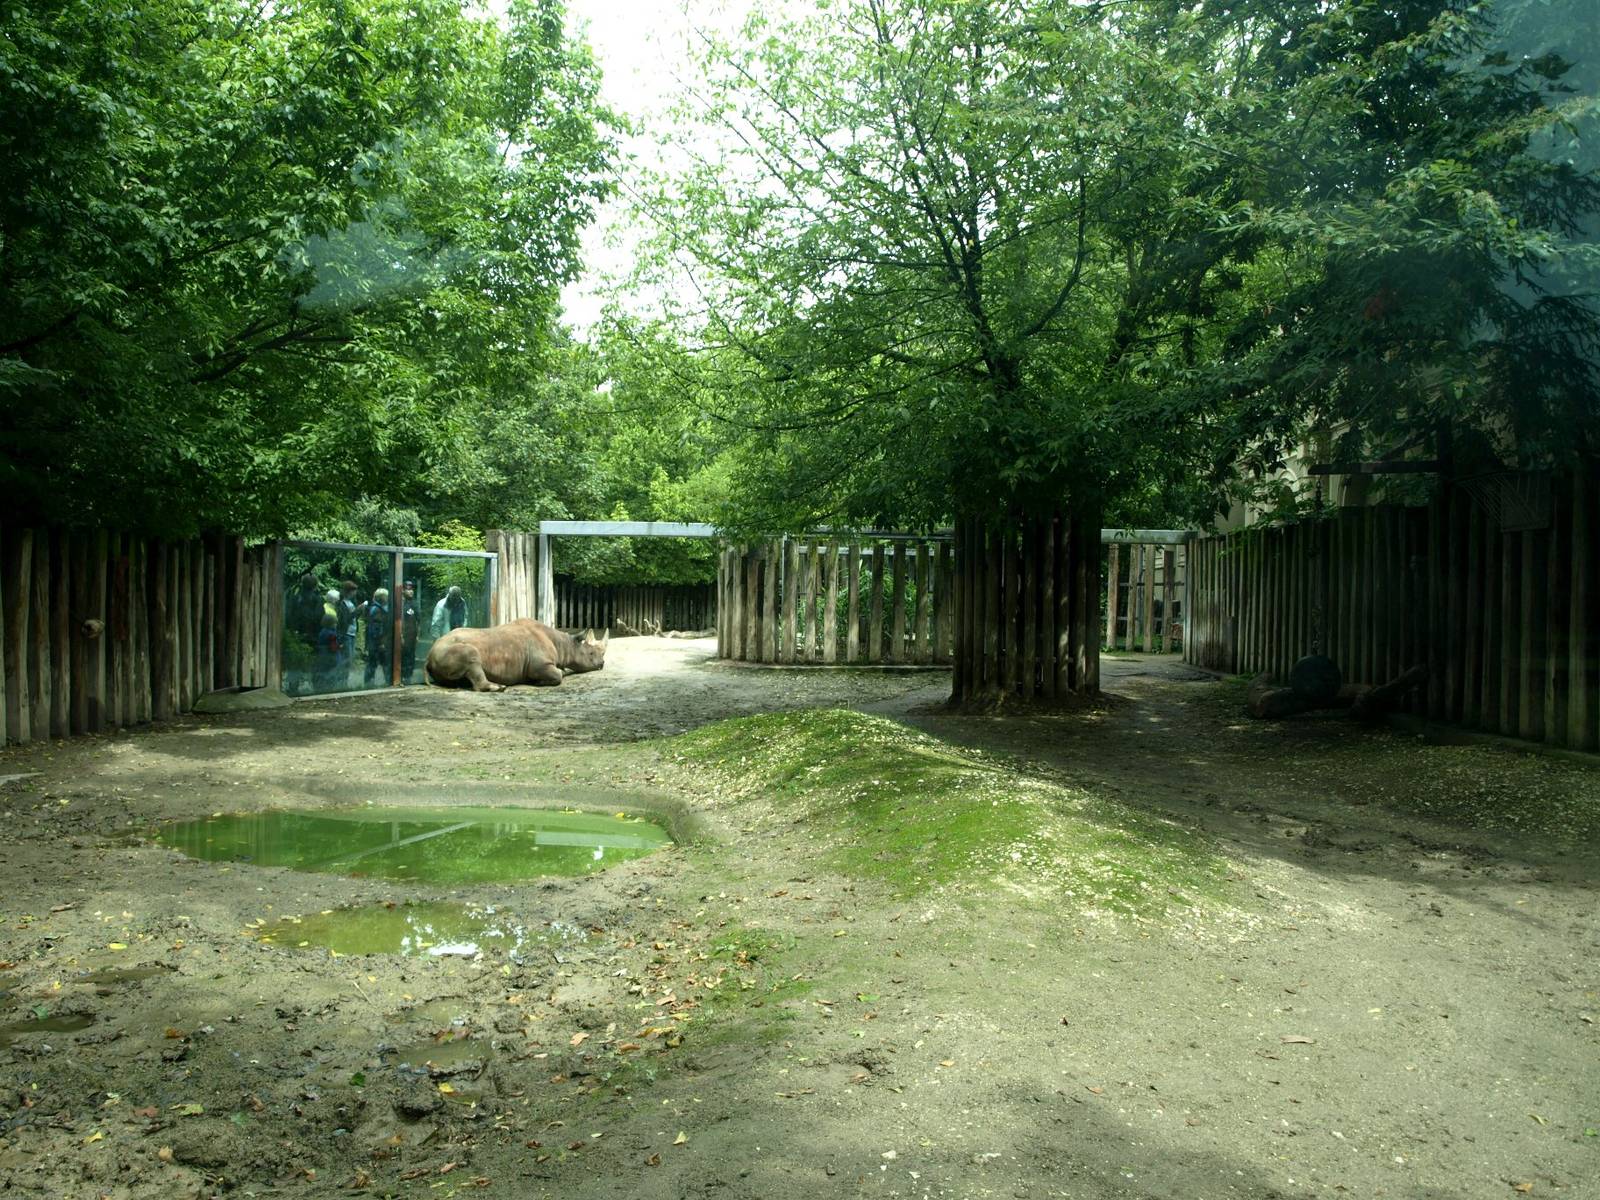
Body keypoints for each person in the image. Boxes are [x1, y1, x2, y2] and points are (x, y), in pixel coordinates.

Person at [283, 573, 324, 695]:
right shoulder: (318, 599)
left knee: (295, 663)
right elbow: (319, 618)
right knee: (316, 664)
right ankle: (318, 688)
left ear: (302, 584)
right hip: (313, 636)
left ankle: (293, 687)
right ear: (315, 586)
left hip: (297, 636)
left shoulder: (295, 598)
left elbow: (288, 617)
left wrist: (292, 631)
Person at [362, 588, 392, 686]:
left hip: (374, 642)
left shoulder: (377, 608)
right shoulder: (377, 610)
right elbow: (376, 629)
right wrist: (381, 642)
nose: (388, 598)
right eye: (386, 596)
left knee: (374, 663)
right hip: (377, 643)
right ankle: (386, 683)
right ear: (382, 597)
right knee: (378, 663)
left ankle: (369, 683)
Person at [399, 582, 420, 683]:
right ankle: (401, 676)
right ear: (403, 590)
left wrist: (418, 635)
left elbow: (418, 620)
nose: (411, 591)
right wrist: (401, 635)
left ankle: (408, 677)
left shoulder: (414, 604)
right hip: (402, 635)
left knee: (411, 656)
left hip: (411, 637)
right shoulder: (400, 603)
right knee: (402, 656)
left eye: (412, 589)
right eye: (408, 589)